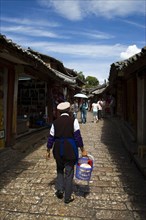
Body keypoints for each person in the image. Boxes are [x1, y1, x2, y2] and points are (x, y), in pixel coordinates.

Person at [46, 101, 87, 204]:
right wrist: (83, 150)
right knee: (69, 173)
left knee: (59, 169)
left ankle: (59, 190)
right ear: (69, 110)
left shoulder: (55, 122)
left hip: (58, 149)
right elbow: (78, 137)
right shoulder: (73, 121)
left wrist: (48, 150)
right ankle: (67, 197)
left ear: (59, 112)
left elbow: (51, 138)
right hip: (70, 149)